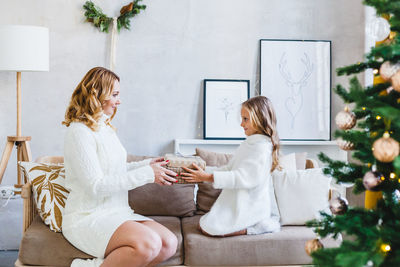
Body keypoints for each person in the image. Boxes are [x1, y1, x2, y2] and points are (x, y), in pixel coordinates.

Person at [61, 67, 178, 267]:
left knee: (169, 243)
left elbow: (116, 169)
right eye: (114, 94)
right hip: (86, 216)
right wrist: (147, 174)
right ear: (97, 95)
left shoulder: (104, 127)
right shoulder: (79, 132)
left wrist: (147, 164)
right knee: (148, 244)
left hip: (117, 211)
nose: (119, 100)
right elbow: (96, 186)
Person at [182, 96, 281, 237]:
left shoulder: (261, 149)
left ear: (259, 119)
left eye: (245, 119)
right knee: (203, 225)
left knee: (209, 230)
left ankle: (256, 227)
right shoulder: (249, 144)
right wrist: (204, 173)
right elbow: (230, 169)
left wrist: (208, 177)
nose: (241, 124)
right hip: (238, 202)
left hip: (250, 206)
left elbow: (243, 177)